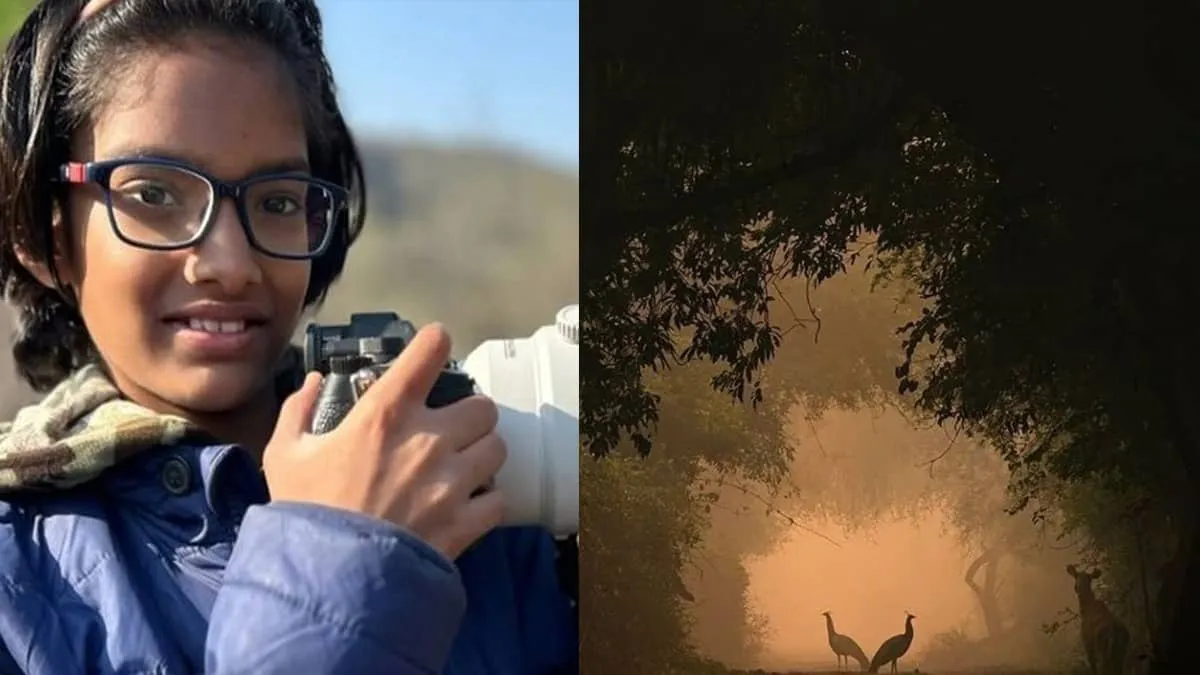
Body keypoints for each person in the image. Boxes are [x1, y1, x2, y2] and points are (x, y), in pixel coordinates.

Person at [0, 0, 577, 673]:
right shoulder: (19, 585)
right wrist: (340, 558)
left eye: (276, 201)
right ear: (47, 233)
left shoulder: (467, 493)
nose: (229, 263)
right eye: (153, 194)